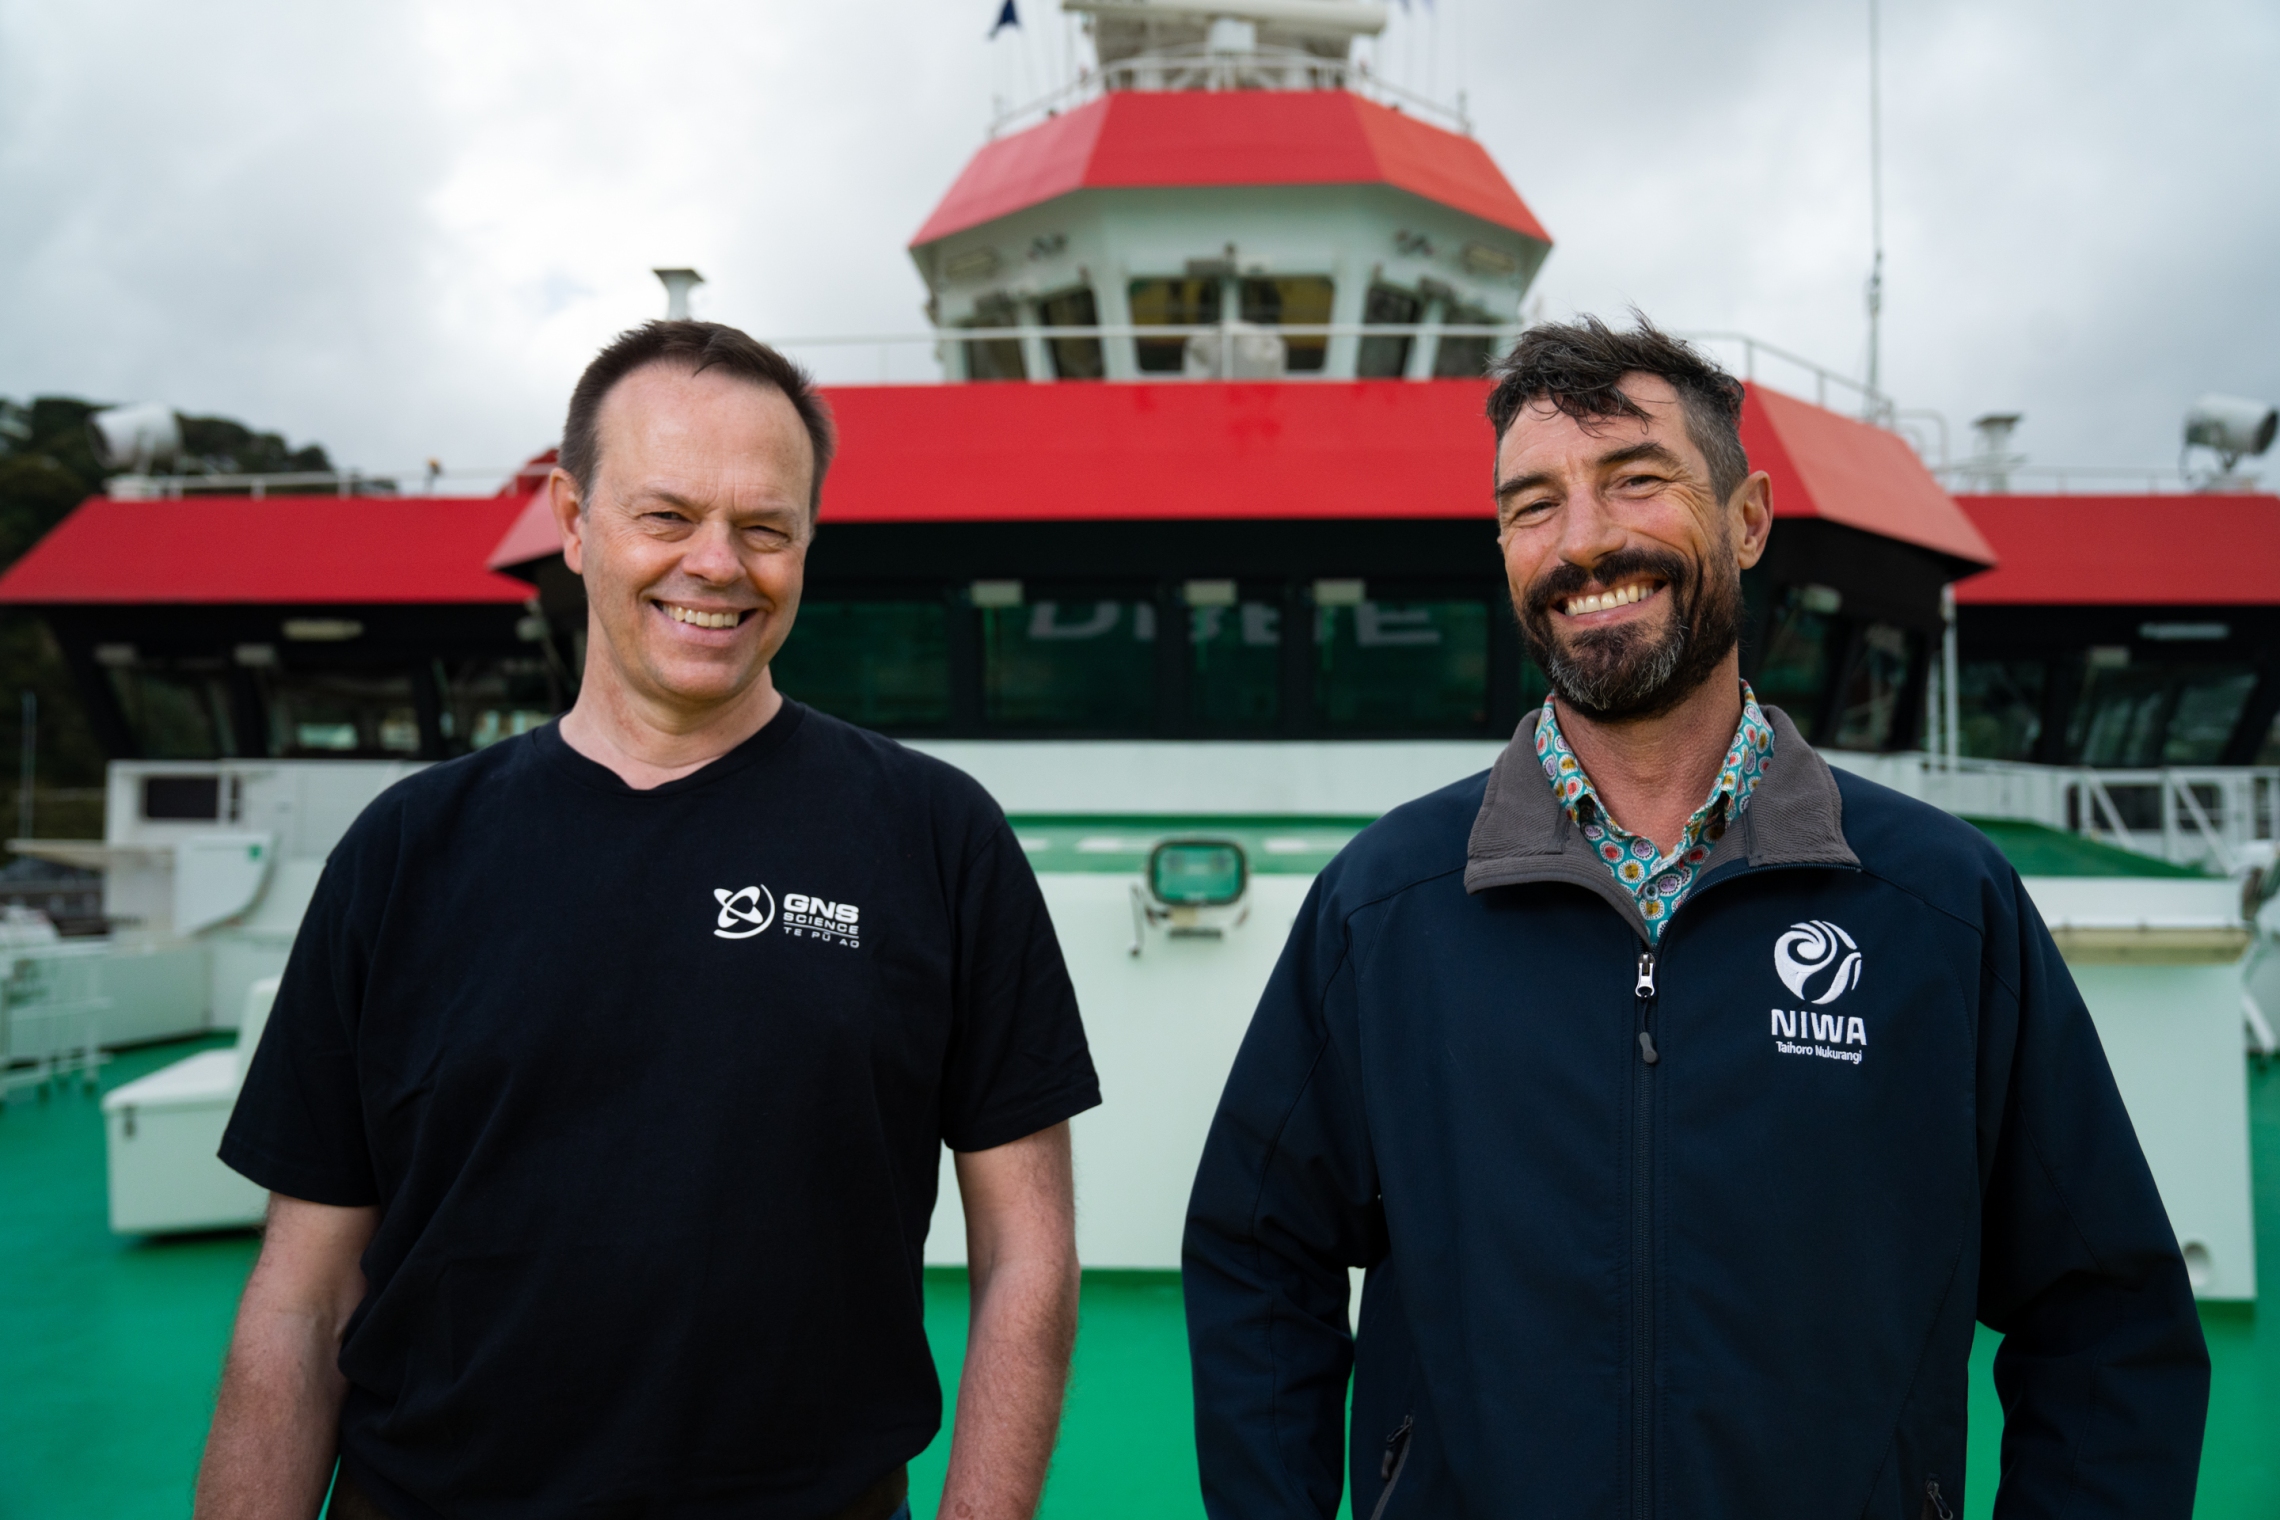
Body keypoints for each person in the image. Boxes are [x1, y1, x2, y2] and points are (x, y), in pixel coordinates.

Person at [1182, 317, 2209, 1518]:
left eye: (1636, 480)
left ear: (1749, 517)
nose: (1585, 540)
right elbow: (1260, 1256)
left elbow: (2105, 1313)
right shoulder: (1387, 904)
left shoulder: (1942, 904)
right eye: (1533, 503)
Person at [198, 321, 1100, 1520]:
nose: (718, 564)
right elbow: (299, 1297)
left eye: (765, 526)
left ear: (807, 541)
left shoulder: (939, 838)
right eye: (667, 515)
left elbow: (1028, 1256)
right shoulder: (405, 851)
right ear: (574, 520)